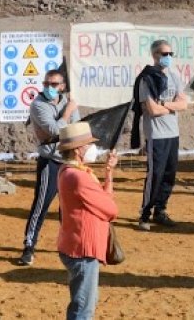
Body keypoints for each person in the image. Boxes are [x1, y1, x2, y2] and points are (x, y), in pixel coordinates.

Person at [56, 121, 119, 320]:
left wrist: (109, 172)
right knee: (83, 309)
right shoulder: (80, 177)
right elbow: (111, 209)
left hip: (75, 246)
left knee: (83, 303)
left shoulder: (69, 171)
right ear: (77, 150)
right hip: (83, 250)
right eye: (88, 144)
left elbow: (104, 200)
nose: (92, 148)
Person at [17, 69, 81, 266]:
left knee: (68, 206)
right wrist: (67, 113)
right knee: (41, 204)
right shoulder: (38, 104)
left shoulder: (66, 101)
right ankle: (29, 246)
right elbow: (54, 130)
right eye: (46, 84)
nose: (49, 87)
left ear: (62, 86)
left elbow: (76, 127)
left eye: (54, 84)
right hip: (50, 160)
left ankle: (69, 243)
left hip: (69, 160)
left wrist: (65, 122)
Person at [137, 40, 188, 230]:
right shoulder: (146, 79)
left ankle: (160, 210)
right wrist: (171, 106)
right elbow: (152, 110)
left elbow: (183, 104)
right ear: (155, 55)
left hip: (173, 133)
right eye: (164, 54)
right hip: (156, 134)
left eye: (170, 54)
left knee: (169, 174)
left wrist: (165, 104)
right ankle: (145, 214)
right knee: (155, 175)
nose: (167, 57)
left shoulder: (174, 76)